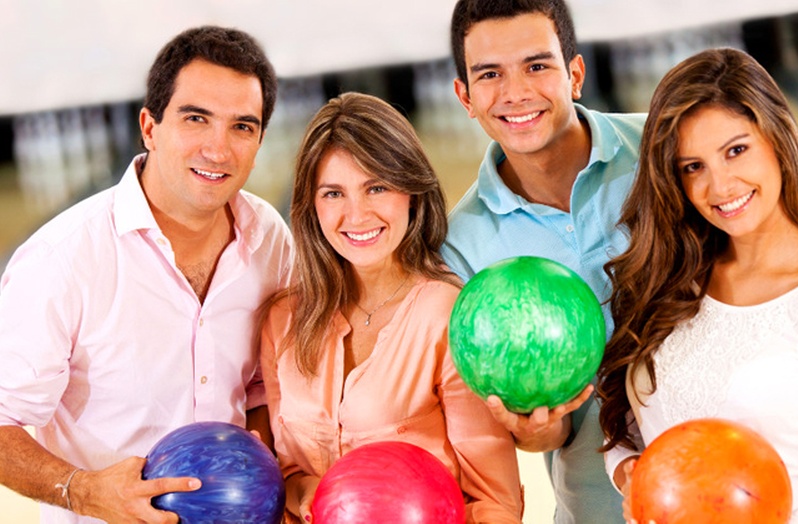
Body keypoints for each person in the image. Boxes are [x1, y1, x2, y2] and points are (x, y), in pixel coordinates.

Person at [0, 26, 293, 523]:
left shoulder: (271, 239)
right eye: (196, 119)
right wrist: (84, 491)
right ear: (149, 126)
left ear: (260, 139)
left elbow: (264, 386)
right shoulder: (62, 260)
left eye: (242, 126)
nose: (218, 150)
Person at [598, 47, 798, 522]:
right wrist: (634, 476)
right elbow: (627, 424)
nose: (720, 187)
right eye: (693, 167)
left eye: (736, 150)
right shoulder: (672, 274)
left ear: (778, 138)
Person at [259, 92, 524, 523]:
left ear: (412, 194)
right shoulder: (282, 321)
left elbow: (496, 503)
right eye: (333, 193)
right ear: (311, 206)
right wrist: (301, 488)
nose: (356, 214)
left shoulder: (450, 317)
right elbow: (285, 472)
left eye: (376, 187)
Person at [441, 0, 645, 521]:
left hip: (733, 488)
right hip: (598, 509)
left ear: (575, 73)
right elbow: (543, 430)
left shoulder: (661, 149)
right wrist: (535, 429)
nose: (515, 93)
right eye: (490, 74)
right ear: (464, 97)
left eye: (537, 65)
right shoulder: (459, 246)